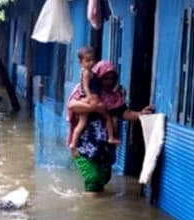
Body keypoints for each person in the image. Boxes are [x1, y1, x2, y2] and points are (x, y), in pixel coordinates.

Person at [66, 60, 154, 196]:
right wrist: (94, 107)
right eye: (105, 78)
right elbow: (72, 105)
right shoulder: (84, 91)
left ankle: (95, 207)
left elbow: (125, 113)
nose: (108, 82)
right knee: (92, 178)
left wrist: (140, 114)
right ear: (98, 77)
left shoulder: (114, 98)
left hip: (105, 145)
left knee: (103, 178)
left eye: (111, 79)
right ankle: (89, 208)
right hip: (86, 144)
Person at [68, 47, 119, 156]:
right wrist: (91, 100)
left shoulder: (89, 73)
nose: (91, 63)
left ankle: (73, 143)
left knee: (82, 123)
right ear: (81, 62)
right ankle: (110, 137)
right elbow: (84, 89)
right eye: (87, 60)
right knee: (106, 117)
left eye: (92, 60)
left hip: (99, 150)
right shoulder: (87, 73)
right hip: (91, 100)